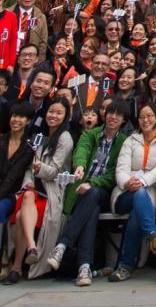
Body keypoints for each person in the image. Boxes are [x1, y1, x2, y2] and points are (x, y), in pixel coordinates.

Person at [47, 100, 129, 286]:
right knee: (90, 209)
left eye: (118, 114)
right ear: (104, 114)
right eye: (110, 112)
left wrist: (92, 183)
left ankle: (62, 245)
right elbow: (81, 150)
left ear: (124, 120)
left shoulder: (124, 142)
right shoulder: (91, 134)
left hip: (103, 191)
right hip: (81, 191)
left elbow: (114, 173)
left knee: (93, 194)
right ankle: (84, 268)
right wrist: (80, 167)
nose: (112, 117)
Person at [108, 102, 156, 282]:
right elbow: (121, 168)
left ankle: (125, 265)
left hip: (150, 190)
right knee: (138, 198)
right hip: (125, 192)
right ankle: (151, 233)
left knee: (138, 210)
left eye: (150, 116)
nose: (146, 120)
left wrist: (143, 181)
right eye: (142, 117)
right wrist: (128, 182)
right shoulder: (131, 140)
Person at [8, 97, 73, 283]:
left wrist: (40, 169)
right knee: (27, 194)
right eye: (51, 111)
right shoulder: (40, 136)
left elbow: (54, 170)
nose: (53, 115)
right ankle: (31, 247)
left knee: (21, 216)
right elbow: (29, 168)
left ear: (65, 116)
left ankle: (17, 266)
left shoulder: (65, 138)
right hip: (33, 190)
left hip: (51, 189)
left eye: (59, 113)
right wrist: (29, 180)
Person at [0, 102, 35, 223]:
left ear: (28, 121)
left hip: (11, 194)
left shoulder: (29, 147)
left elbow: (13, 176)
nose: (16, 120)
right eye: (14, 116)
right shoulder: (1, 140)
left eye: (21, 117)